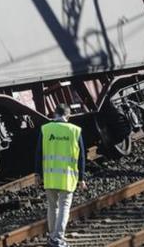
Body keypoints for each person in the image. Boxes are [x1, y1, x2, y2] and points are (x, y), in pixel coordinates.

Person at [35, 104, 87, 247]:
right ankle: (57, 239)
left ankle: (53, 237)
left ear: (54, 113)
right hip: (68, 178)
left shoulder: (46, 129)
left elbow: (39, 153)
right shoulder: (75, 131)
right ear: (68, 116)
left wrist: (37, 174)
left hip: (50, 177)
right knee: (64, 207)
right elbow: (82, 156)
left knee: (52, 207)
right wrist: (81, 178)